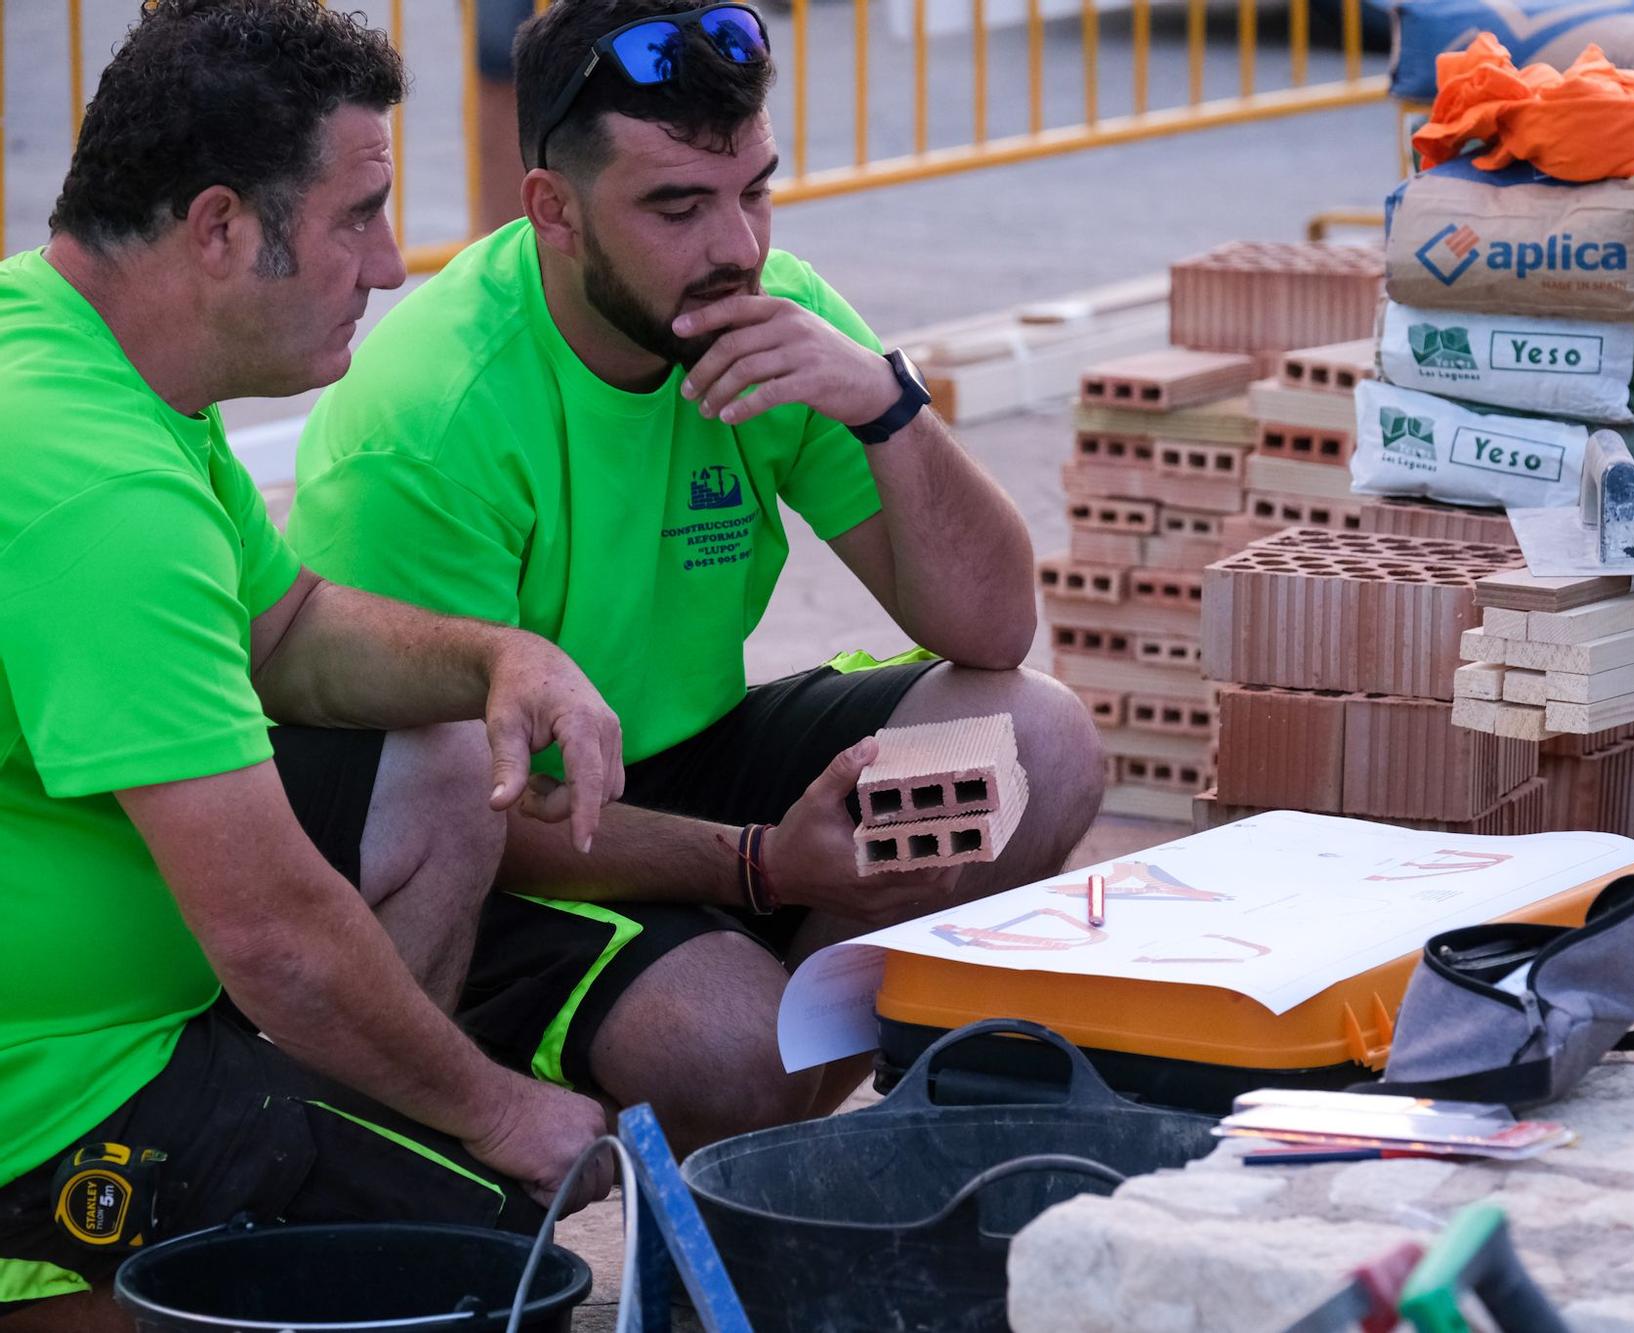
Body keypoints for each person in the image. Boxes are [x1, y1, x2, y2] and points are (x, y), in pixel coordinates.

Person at [286, 0, 1105, 1152]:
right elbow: (443, 810)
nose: (738, 248)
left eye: (754, 189)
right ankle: (723, 1091)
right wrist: (765, 869)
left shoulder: (764, 315)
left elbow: (990, 626)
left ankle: (786, 1124)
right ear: (553, 211)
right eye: (676, 205)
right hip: (506, 837)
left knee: (1039, 741)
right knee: (726, 1041)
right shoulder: (431, 419)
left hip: (688, 760)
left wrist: (887, 403)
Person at [0, 5, 627, 1327]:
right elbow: (272, 932)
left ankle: (328, 1130)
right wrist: (501, 1109)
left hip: (105, 1013)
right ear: (221, 227)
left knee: (445, 745)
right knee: (496, 1266)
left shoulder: (80, 348)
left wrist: (500, 655)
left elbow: (287, 633)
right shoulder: (95, 488)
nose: (394, 265)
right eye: (360, 215)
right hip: (48, 1083)